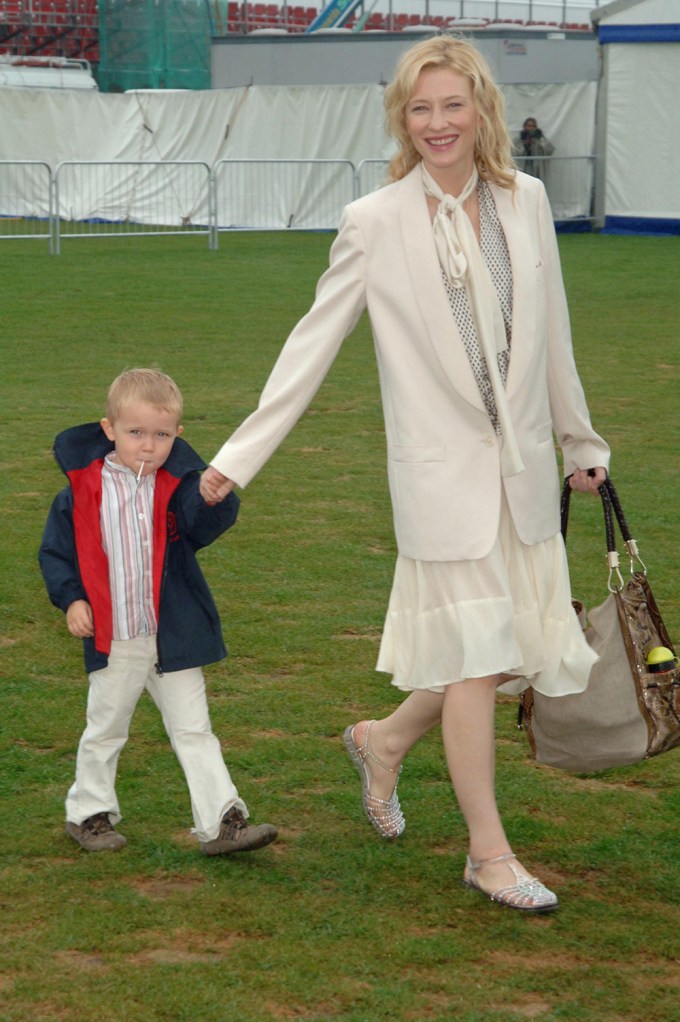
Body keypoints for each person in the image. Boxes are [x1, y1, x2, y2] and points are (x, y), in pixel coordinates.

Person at [200, 35, 609, 913]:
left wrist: (581, 444)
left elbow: (554, 336)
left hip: (524, 476)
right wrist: (238, 458)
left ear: (481, 110)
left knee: (512, 654)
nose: (437, 123)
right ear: (402, 118)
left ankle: (383, 742)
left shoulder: (526, 200)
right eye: (419, 109)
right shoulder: (374, 221)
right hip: (440, 485)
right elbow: (309, 345)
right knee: (474, 662)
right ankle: (488, 854)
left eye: (451, 105)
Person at [38, 368, 278, 857]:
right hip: (115, 636)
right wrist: (73, 599)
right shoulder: (81, 491)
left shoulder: (177, 487)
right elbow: (56, 554)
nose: (148, 446)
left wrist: (214, 497)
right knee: (106, 728)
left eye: (161, 435)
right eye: (135, 433)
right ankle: (89, 814)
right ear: (109, 428)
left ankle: (221, 823)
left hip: (173, 636)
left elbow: (201, 525)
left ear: (177, 435)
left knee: (194, 729)